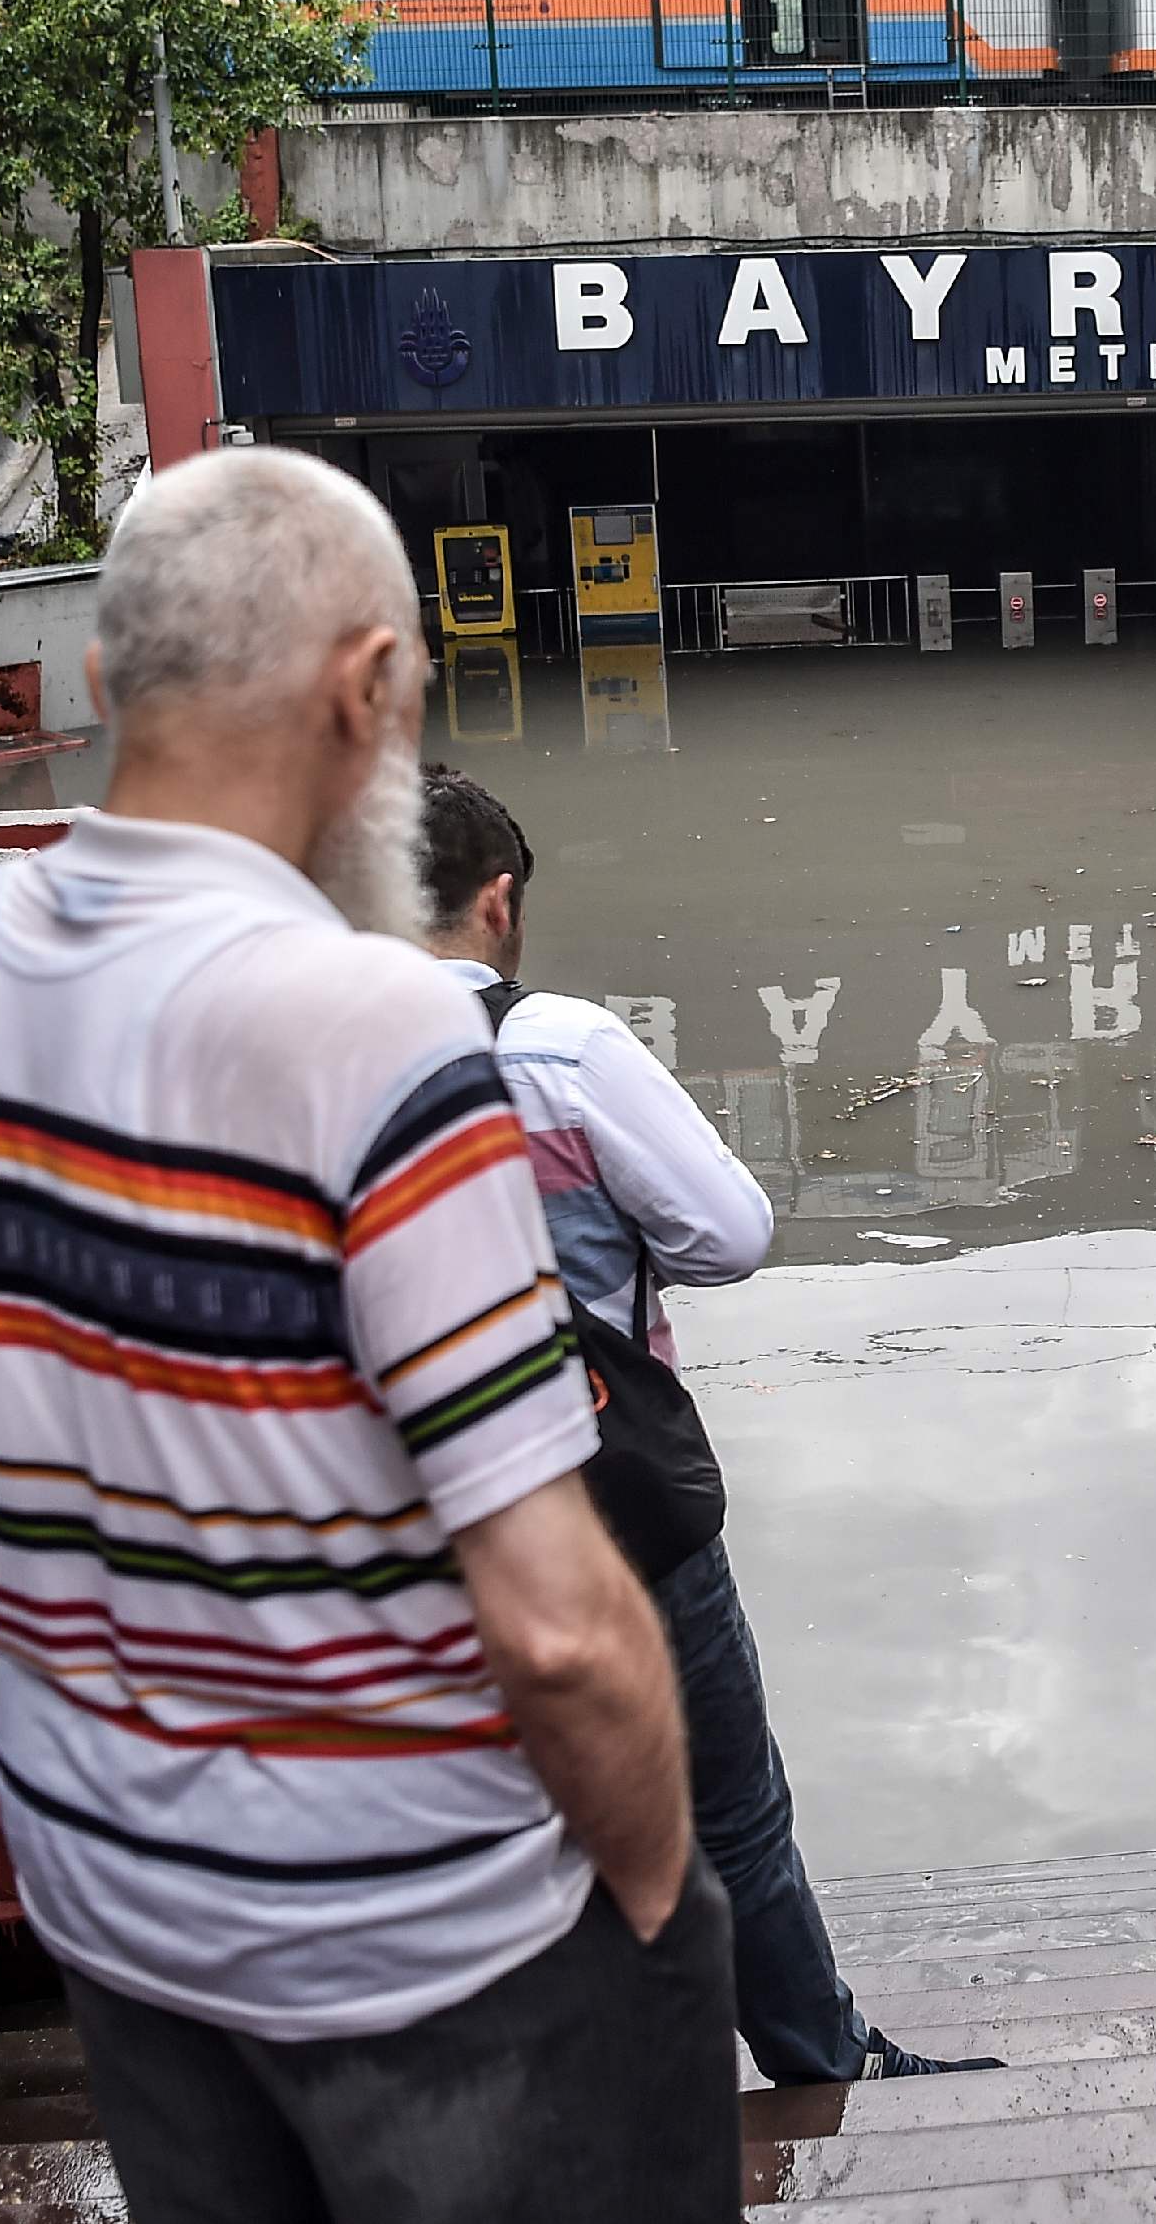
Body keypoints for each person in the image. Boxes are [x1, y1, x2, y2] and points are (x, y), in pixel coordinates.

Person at [0, 449, 735, 2223]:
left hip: (114, 1895)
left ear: (102, 682)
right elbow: (560, 1632)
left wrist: (158, 1724)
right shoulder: (382, 1031)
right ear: (372, 691)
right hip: (431, 1943)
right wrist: (653, 1897)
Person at [414, 765, 997, 2087]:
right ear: (498, 899)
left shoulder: (294, 1064)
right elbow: (728, 1233)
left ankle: (543, 2093)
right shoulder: (555, 1050)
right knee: (725, 1800)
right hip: (607, 1500)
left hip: (409, 1528)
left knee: (487, 1824)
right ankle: (817, 2060)